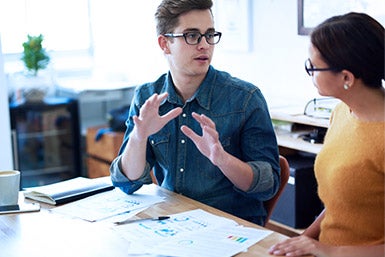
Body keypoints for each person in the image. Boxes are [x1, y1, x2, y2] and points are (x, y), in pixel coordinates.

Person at [110, 0, 280, 226]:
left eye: (209, 35)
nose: (204, 45)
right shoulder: (147, 97)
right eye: (191, 36)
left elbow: (268, 186)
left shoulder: (246, 98)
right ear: (165, 44)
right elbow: (127, 183)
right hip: (172, 222)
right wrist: (138, 138)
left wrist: (222, 159)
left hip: (230, 225)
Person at [269, 12, 384, 257]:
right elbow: (339, 206)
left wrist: (330, 251)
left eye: (313, 66)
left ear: (346, 77)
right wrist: (304, 238)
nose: (310, 72)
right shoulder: (342, 113)